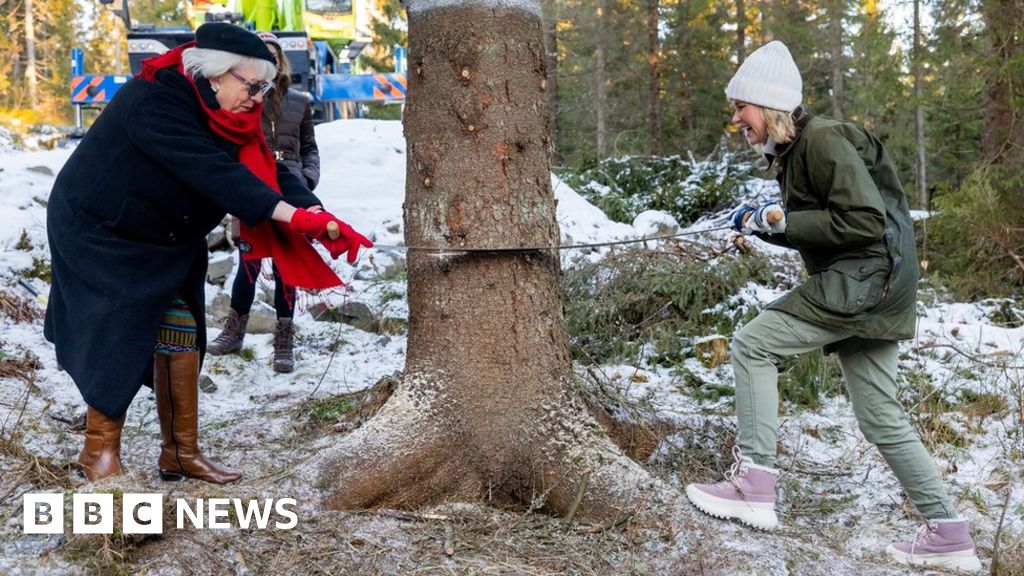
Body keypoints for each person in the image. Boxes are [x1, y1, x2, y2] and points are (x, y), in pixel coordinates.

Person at [683, 41, 982, 572]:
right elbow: (828, 228)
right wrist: (766, 224)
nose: (736, 119)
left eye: (740, 107)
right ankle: (950, 534)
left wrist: (781, 221)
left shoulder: (823, 140)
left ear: (768, 105)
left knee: (753, 345)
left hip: (864, 283)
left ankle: (754, 484)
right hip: (873, 284)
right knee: (880, 416)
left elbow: (863, 222)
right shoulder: (795, 151)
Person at [44, 22, 371, 485]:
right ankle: (97, 450)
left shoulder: (229, 114)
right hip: (104, 231)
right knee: (115, 334)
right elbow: (215, 172)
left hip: (166, 234)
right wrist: (293, 219)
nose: (260, 98)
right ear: (217, 74)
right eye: (253, 86)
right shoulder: (156, 99)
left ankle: (180, 452)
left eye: (265, 87)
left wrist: (316, 213)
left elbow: (266, 172)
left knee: (181, 332)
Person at [208, 31, 320, 374]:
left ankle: (284, 340)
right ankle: (234, 331)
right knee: (249, 264)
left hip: (291, 189)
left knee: (287, 266)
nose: (267, 61)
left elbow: (310, 146)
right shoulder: (243, 97)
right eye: (260, 56)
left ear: (280, 61)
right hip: (252, 188)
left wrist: (308, 178)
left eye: (272, 56)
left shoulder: (299, 101)